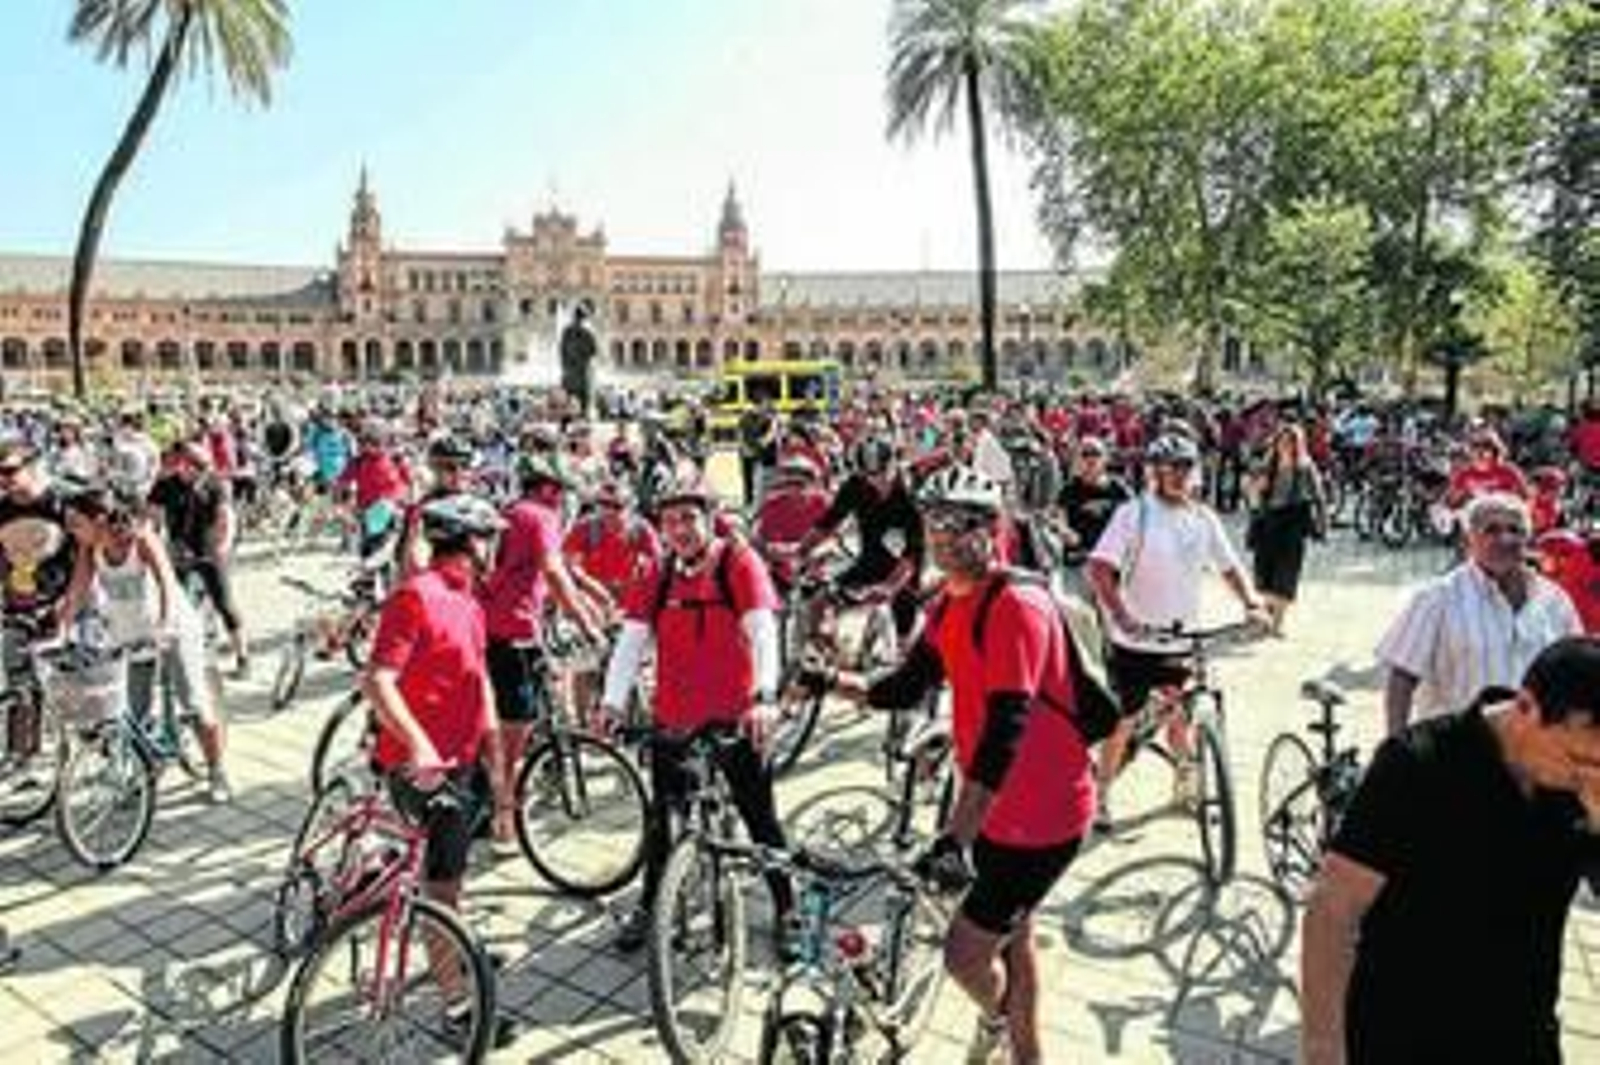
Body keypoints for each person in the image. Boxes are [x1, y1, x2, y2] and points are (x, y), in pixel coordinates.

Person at [815, 464, 1095, 1065]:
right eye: (933, 520)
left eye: (960, 522)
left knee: (964, 956)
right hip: (999, 810)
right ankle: (1024, 1049)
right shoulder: (947, 604)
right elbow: (907, 685)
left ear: (991, 529)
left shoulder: (1017, 605)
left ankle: (999, 1023)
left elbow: (1007, 729)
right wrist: (829, 682)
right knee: (1014, 938)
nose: (942, 535)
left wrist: (954, 838)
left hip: (1043, 815)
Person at [1300, 636, 1600, 1065]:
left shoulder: (1582, 787)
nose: (1585, 775)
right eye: (1577, 758)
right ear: (1526, 707)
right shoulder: (1417, 765)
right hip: (1403, 1036)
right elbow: (1333, 908)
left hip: (1522, 1034)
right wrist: (1323, 1049)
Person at [595, 472, 791, 953]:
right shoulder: (657, 574)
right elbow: (631, 641)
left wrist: (765, 698)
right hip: (674, 717)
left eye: (688, 518)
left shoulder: (738, 563)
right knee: (664, 821)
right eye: (669, 520)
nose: (679, 529)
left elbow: (764, 630)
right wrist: (612, 702)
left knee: (760, 817)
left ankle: (790, 909)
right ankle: (649, 907)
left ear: (710, 519)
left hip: (736, 715)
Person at [360, 494, 519, 1049]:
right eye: (489, 539)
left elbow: (482, 692)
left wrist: (501, 782)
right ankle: (457, 1009)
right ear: (473, 544)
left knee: (451, 878)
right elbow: (377, 679)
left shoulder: (470, 602)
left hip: (467, 762)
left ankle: (450, 942)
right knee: (441, 889)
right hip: (423, 768)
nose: (495, 549)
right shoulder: (415, 596)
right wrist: (421, 744)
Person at [1085, 433, 1266, 831]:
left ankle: (1185, 784)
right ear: (1154, 472)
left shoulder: (1203, 518)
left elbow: (1229, 567)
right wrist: (1121, 614)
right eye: (1169, 467)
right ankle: (1100, 796)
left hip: (1184, 637)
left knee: (1180, 716)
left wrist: (1251, 602)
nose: (1178, 475)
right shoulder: (1135, 514)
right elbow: (1098, 569)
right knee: (1125, 721)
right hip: (1136, 638)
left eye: (1185, 466)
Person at [59, 484, 231, 802]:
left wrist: (166, 625)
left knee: (193, 704)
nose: (71, 530)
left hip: (173, 630)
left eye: (76, 522)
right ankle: (144, 773)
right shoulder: (90, 548)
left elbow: (166, 580)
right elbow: (78, 591)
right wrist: (62, 628)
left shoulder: (140, 539)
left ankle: (217, 771)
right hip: (129, 635)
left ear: (99, 519)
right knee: (132, 714)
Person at [1376, 492, 1582, 736]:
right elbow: (1401, 676)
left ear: (1528, 539)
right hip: (1458, 747)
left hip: (1532, 753)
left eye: (1515, 530)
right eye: (1491, 530)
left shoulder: (1554, 600)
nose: (1505, 539)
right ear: (1468, 540)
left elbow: (1575, 673)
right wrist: (1396, 748)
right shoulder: (1437, 598)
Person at [481, 456, 607, 780]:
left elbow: (534, 571)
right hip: (515, 629)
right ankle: (503, 804)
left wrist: (582, 598)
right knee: (516, 724)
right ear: (549, 490)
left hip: (488, 624)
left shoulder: (511, 511)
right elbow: (553, 571)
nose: (564, 499)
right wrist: (586, 623)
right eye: (561, 492)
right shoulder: (541, 517)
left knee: (501, 710)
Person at [148, 441, 250, 678]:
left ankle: (243, 657)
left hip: (208, 551)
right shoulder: (166, 484)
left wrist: (222, 546)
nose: (200, 471)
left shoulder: (215, 484)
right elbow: (150, 516)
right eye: (194, 466)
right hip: (178, 552)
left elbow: (227, 518)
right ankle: (173, 660)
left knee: (225, 604)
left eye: (202, 467)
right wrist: (156, 546)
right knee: (173, 607)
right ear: (181, 464)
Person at [1244, 423, 1328, 637]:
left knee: (1287, 572)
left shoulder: (1305, 466)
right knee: (1265, 572)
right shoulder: (1267, 463)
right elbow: (1252, 491)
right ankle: (1268, 613)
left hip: (1293, 523)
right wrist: (1254, 489)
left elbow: (1319, 497)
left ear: (1298, 444)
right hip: (1268, 521)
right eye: (1282, 441)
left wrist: (1322, 524)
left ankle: (1278, 622)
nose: (1285, 445)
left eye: (1291, 441)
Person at [559, 302, 599, 418]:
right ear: (584, 317)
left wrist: (565, 364)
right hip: (583, 369)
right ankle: (584, 417)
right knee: (584, 396)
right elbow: (594, 351)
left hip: (570, 369)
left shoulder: (566, 330)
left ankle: (566, 420)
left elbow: (562, 349)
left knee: (569, 394)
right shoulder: (588, 331)